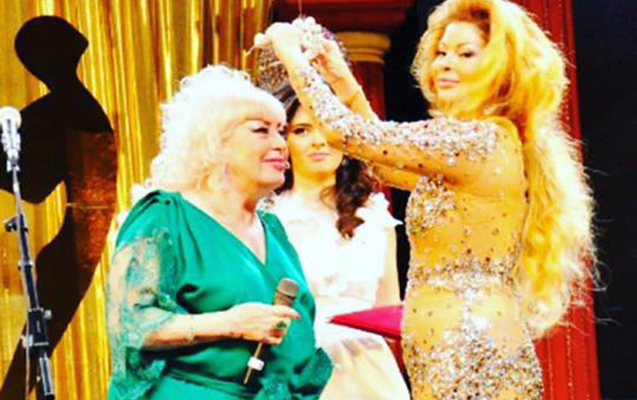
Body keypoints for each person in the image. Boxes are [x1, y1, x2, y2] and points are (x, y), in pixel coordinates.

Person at [256, 0, 595, 398]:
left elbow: (348, 134)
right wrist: (342, 81)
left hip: (468, 350)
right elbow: (383, 161)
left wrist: (292, 55)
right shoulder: (475, 143)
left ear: (501, 66)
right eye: (441, 52)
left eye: (465, 54)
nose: (445, 65)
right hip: (453, 348)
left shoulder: (473, 139)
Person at [105, 65, 332, 400]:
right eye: (261, 131)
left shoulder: (273, 229)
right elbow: (130, 321)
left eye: (281, 131)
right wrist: (231, 324)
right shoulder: (167, 216)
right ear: (215, 143)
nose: (280, 144)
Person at [260, 82, 410, 400]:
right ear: (284, 141)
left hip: (369, 370)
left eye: (327, 127)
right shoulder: (267, 219)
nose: (318, 141)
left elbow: (389, 308)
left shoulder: (375, 216)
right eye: (302, 130)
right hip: (296, 368)